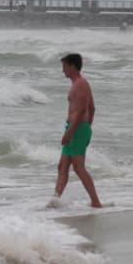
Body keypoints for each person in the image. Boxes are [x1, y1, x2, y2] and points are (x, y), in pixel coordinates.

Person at [54, 53, 103, 208]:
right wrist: (86, 127)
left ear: (72, 66)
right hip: (77, 128)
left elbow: (83, 110)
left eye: (64, 67)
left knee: (78, 167)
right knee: (62, 166)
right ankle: (55, 200)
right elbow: (92, 109)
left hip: (76, 129)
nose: (63, 71)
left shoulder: (80, 84)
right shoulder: (78, 83)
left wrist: (74, 131)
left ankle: (96, 201)